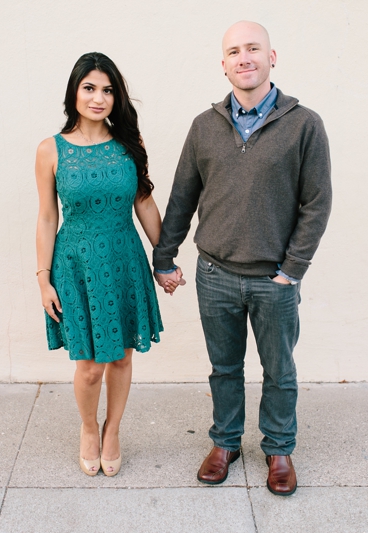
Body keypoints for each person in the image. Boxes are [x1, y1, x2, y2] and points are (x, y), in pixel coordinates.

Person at [153, 21, 332, 496]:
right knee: (224, 368)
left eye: (253, 48)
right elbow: (181, 198)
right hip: (215, 273)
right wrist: (164, 257)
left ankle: (278, 448)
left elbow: (317, 203)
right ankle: (225, 442)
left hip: (274, 279)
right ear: (224, 64)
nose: (244, 57)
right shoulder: (204, 126)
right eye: (234, 51)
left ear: (273, 57)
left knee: (280, 370)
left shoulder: (304, 124)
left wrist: (292, 272)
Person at [35, 52, 164, 477]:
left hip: (124, 258)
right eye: (90, 88)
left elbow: (143, 202)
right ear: (74, 91)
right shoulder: (50, 149)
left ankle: (113, 431)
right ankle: (88, 428)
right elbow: (48, 216)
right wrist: (43, 278)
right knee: (89, 366)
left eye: (107, 90)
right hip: (75, 264)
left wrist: (164, 258)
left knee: (123, 358)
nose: (99, 98)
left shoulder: (129, 144)